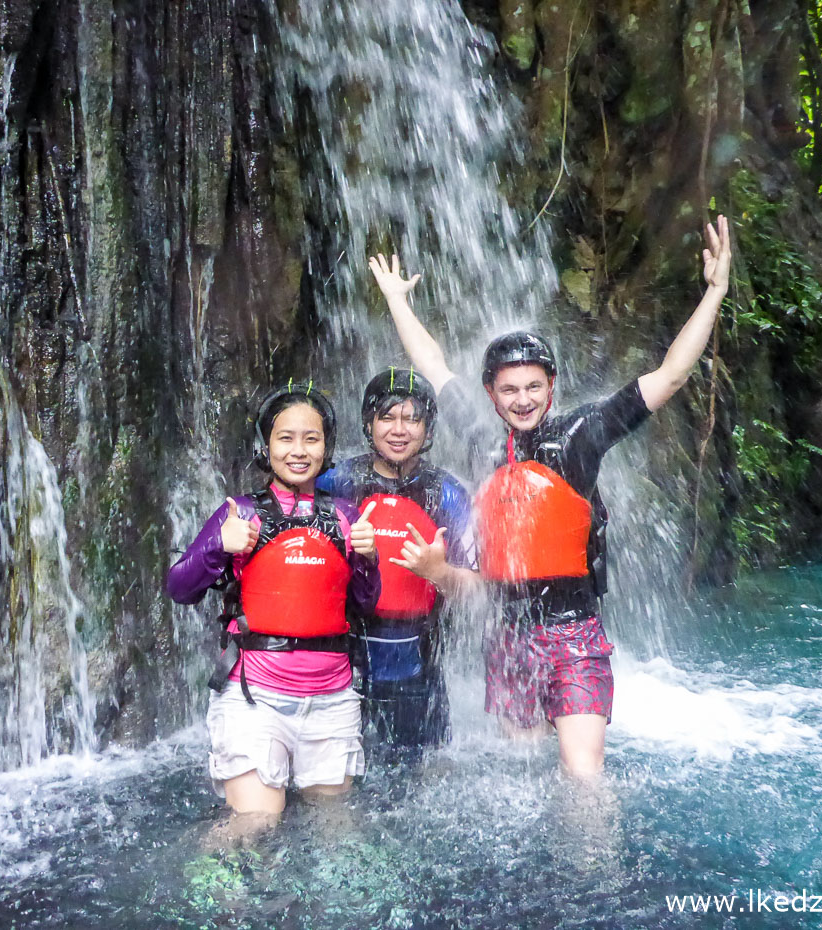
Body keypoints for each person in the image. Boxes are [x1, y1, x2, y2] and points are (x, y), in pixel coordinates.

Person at [367, 216, 732, 777]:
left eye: (534, 386)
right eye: (509, 389)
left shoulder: (582, 434)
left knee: (582, 772)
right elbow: (433, 365)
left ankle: (595, 865)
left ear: (551, 387)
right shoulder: (483, 437)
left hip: (574, 630)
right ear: (490, 394)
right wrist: (396, 299)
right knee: (523, 776)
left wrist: (714, 292)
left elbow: (671, 376)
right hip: (508, 634)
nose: (522, 399)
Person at [165, 381, 381, 830]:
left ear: (326, 447)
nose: (298, 450)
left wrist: (368, 560)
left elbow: (365, 603)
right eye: (286, 438)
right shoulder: (240, 513)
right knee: (254, 827)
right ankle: (214, 900)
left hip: (331, 699)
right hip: (254, 698)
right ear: (267, 446)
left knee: (335, 833)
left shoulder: (346, 515)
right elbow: (179, 588)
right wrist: (218, 548)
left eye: (311, 438)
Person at [315, 367, 476, 761]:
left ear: (428, 427)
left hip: (419, 673)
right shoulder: (336, 483)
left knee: (422, 786)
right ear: (369, 423)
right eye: (387, 416)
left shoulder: (447, 495)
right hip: (342, 669)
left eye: (412, 418)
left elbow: (478, 588)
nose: (399, 429)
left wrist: (438, 572)